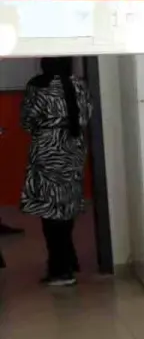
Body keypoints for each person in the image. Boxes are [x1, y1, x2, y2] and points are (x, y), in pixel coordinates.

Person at [20, 57, 93, 287]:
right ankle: (68, 260)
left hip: (48, 150)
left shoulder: (38, 86)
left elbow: (27, 120)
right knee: (66, 206)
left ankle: (60, 269)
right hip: (73, 148)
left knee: (50, 211)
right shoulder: (78, 84)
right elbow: (87, 114)